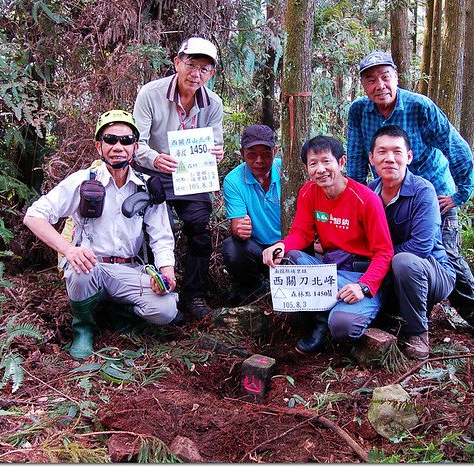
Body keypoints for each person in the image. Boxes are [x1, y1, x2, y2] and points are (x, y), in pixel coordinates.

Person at [347, 51, 474, 336]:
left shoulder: (419, 107)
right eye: (371, 80)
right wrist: (357, 202)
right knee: (388, 252)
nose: (379, 85)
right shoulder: (358, 111)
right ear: (363, 86)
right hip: (387, 197)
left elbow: (457, 148)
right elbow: (356, 160)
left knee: (445, 253)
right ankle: (396, 312)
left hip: (434, 194)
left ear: (396, 78)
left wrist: (460, 194)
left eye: (385, 77)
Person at [24, 110, 180, 360]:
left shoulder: (148, 187)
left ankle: (120, 312)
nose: (118, 146)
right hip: (91, 266)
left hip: (129, 269)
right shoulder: (83, 181)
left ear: (135, 147)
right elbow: (34, 215)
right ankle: (83, 328)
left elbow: (161, 236)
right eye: (110, 139)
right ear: (99, 146)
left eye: (126, 140)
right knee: (79, 271)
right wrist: (68, 249)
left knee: (166, 310)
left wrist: (166, 271)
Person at [262, 135, 393, 355]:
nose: (321, 169)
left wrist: (364, 286)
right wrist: (281, 245)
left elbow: (384, 252)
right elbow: (301, 234)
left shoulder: (366, 199)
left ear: (341, 163)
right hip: (330, 270)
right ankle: (319, 320)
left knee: (343, 327)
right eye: (313, 163)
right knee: (289, 257)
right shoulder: (309, 192)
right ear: (306, 167)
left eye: (326, 161)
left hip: (359, 274)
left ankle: (366, 308)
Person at [133, 37, 224, 319]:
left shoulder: (213, 102)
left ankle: (193, 296)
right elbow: (136, 143)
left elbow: (215, 143)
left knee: (199, 226)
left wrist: (216, 154)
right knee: (152, 227)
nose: (196, 74)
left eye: (204, 69)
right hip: (153, 171)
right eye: (191, 65)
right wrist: (155, 159)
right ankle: (148, 289)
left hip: (190, 175)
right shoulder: (151, 94)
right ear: (177, 63)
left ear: (212, 73)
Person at [368, 125, 455, 359]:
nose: (389, 159)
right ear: (372, 158)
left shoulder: (423, 191)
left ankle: (418, 333)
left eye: (397, 152)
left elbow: (421, 247)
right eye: (382, 152)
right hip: (389, 269)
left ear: (408, 157)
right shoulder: (368, 193)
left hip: (431, 272)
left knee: (404, 261)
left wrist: (377, 258)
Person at [221, 124, 281, 304]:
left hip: (288, 247)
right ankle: (256, 289)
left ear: (275, 151)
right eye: (252, 154)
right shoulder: (234, 180)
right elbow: (237, 226)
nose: (259, 160)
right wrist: (240, 229)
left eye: (266, 154)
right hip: (258, 251)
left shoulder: (287, 172)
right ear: (242, 153)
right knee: (232, 248)